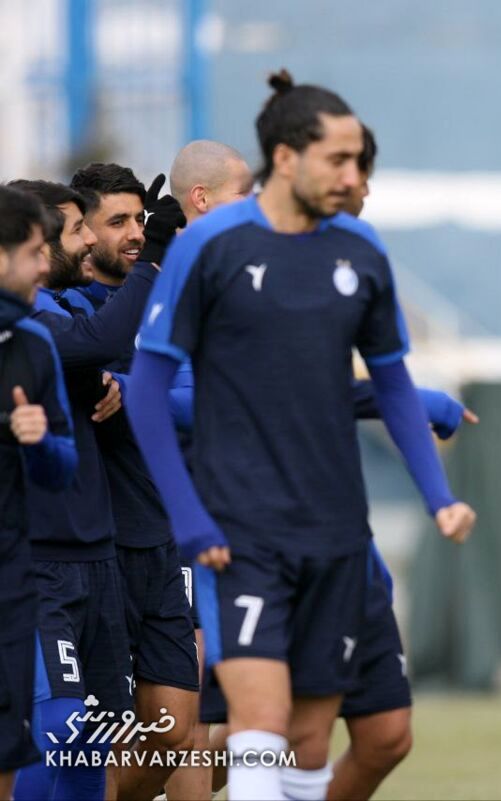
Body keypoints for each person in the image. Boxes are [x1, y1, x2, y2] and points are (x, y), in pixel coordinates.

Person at [127, 70, 476, 801]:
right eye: (339, 160)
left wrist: (438, 495)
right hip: (241, 532)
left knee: (308, 746)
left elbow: (389, 383)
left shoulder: (360, 250)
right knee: (259, 729)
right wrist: (190, 518)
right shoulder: (209, 245)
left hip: (338, 534)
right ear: (286, 158)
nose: (354, 177)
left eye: (358, 162)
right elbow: (149, 392)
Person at [10, 176, 153, 801]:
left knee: (95, 743)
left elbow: (65, 455)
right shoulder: (38, 329)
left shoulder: (59, 324)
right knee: (60, 728)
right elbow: (104, 343)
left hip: (97, 555)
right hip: (36, 564)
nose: (90, 240)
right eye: (76, 231)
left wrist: (47, 437)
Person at [68, 163, 199, 798]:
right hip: (97, 550)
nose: (135, 234)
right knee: (94, 744)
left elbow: (200, 399)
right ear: (82, 233)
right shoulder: (71, 312)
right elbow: (87, 366)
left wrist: (132, 390)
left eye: (140, 220)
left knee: (176, 733)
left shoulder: (161, 304)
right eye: (117, 221)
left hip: (161, 540)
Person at [0, 185, 78, 801]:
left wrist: (38, 442)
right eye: (32, 253)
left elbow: (62, 468)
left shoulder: (35, 342)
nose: (45, 266)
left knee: (9, 748)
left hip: (10, 579)